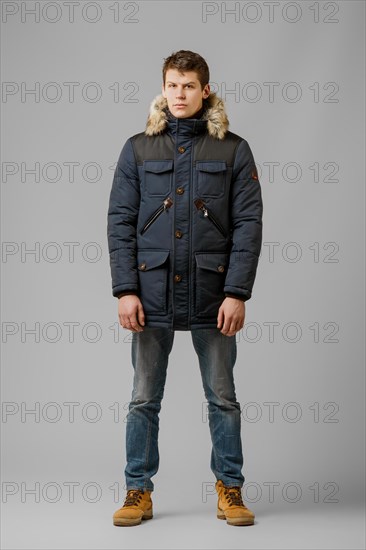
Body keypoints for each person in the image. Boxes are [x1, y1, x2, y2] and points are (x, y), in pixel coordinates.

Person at [107, 50, 263, 527]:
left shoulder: (234, 150)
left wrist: (237, 292)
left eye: (189, 86)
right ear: (163, 89)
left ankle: (230, 490)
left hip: (213, 295)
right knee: (142, 399)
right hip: (150, 293)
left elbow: (248, 224)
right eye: (173, 85)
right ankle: (138, 492)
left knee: (223, 397)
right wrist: (125, 290)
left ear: (205, 91)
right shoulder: (137, 149)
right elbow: (120, 222)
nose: (180, 94)